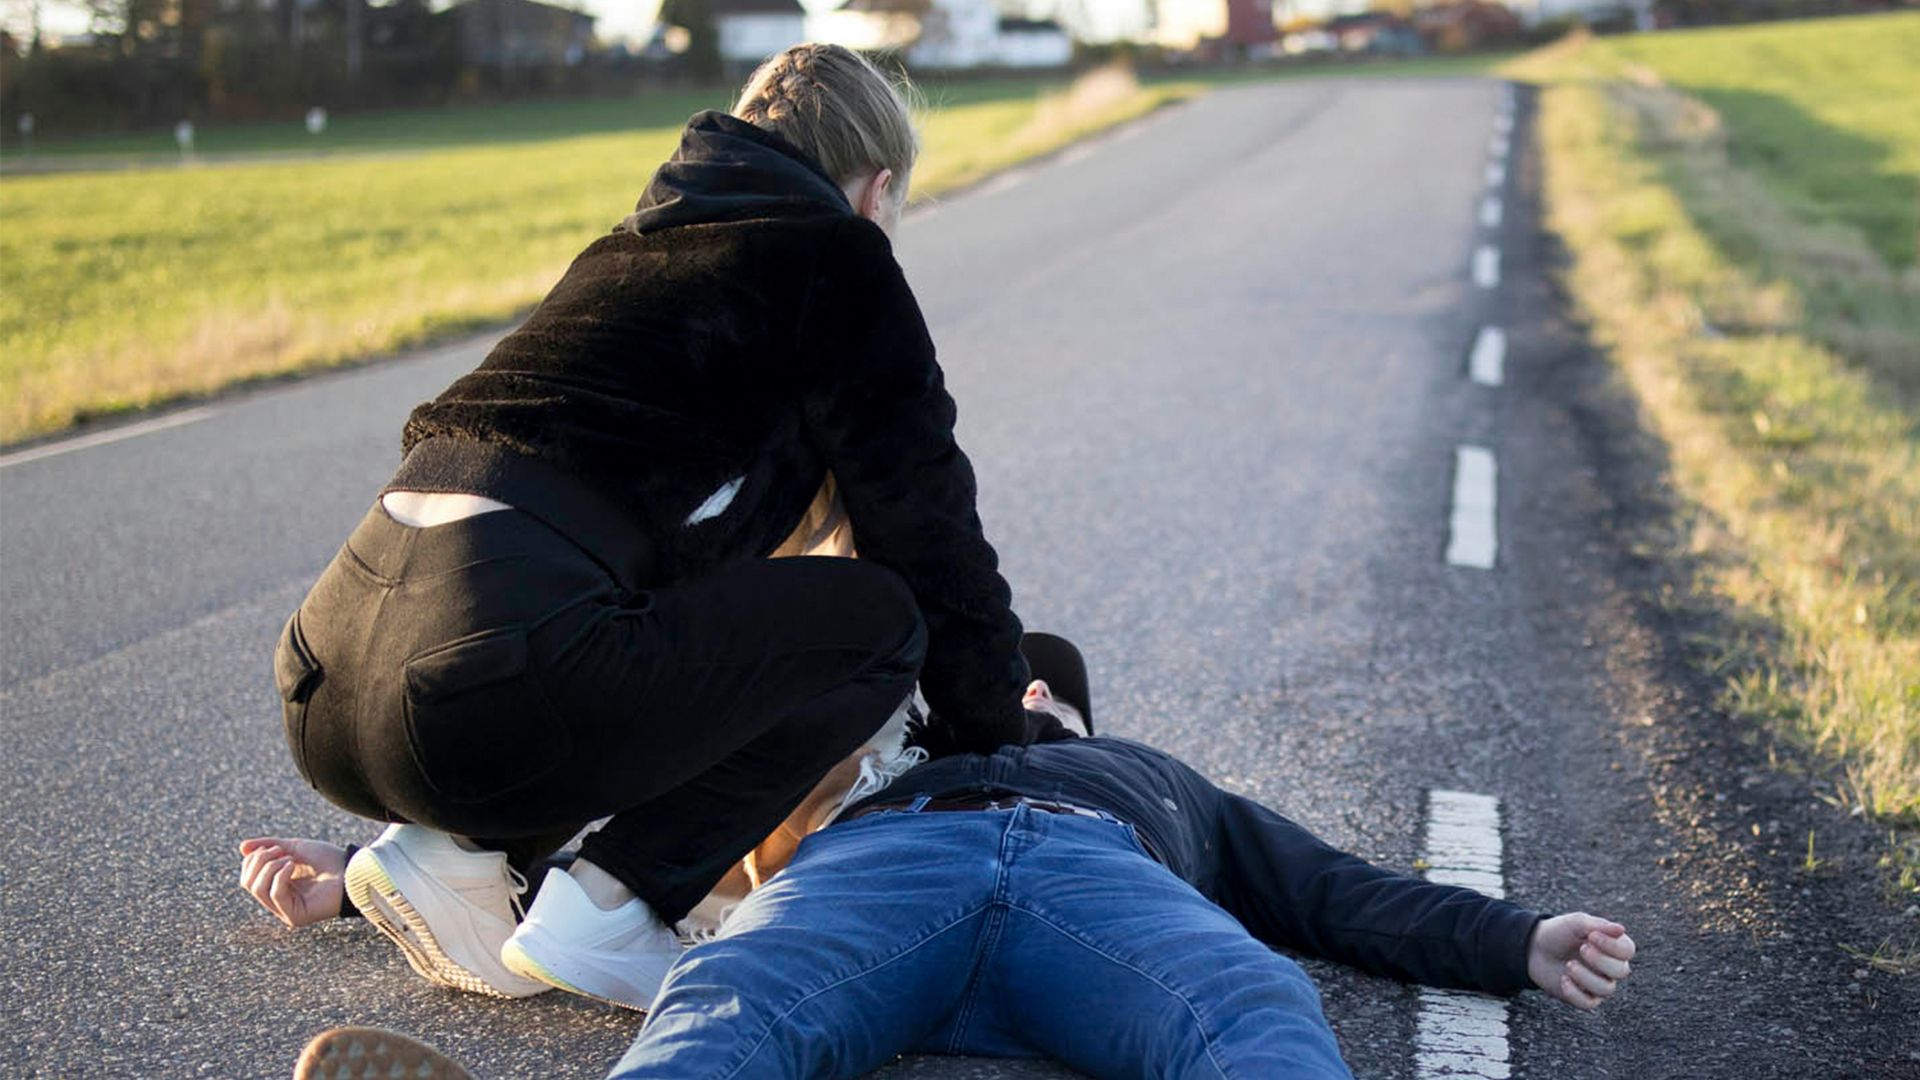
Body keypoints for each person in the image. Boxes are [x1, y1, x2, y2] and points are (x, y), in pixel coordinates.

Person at [263, 42, 1067, 1012]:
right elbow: (931, 532)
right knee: (881, 620)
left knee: (637, 618)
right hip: (480, 684)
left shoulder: (624, 255)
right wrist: (999, 731)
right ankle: (613, 902)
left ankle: (451, 853)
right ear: (878, 189)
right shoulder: (837, 254)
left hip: (327, 682)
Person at [263, 639, 1636, 1080]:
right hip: (885, 872)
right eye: (1004, 681)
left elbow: (1332, 892)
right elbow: (644, 815)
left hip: (1100, 889)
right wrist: (368, 878)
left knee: (1256, 1002)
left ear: (1080, 717)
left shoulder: (1162, 784)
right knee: (731, 997)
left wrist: (1515, 939)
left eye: (1047, 688)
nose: (1025, 694)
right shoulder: (878, 768)